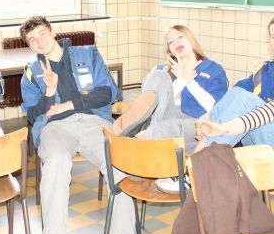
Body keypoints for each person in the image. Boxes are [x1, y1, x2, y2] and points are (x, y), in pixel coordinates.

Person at [20, 16, 137, 234]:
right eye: (32, 40)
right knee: (56, 161)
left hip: (95, 122)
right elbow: (33, 115)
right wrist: (49, 93)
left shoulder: (87, 53)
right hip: (56, 127)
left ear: (52, 32)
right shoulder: (31, 73)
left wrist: (69, 104)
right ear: (29, 46)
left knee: (118, 164)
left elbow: (107, 93)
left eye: (42, 34)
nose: (40, 41)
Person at [115, 25, 228, 193]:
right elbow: (161, 101)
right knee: (157, 76)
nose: (176, 43)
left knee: (168, 126)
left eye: (180, 37)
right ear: (169, 51)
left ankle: (138, 139)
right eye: (171, 42)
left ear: (191, 39)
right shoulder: (166, 69)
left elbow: (212, 106)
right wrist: (180, 80)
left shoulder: (213, 69)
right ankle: (141, 127)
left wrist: (189, 81)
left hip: (198, 123)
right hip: (165, 115)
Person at [195, 17, 274, 148]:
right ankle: (202, 149)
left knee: (248, 100)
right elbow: (234, 95)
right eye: (273, 36)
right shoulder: (264, 70)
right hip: (260, 136)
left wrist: (226, 127)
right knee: (238, 92)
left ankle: (198, 158)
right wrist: (208, 118)